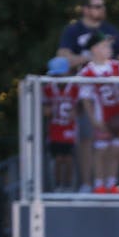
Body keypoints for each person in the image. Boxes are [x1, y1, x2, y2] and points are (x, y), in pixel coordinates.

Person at [76, 33, 119, 194]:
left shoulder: (117, 66)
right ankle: (99, 184)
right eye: (105, 46)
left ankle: (111, 183)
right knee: (101, 150)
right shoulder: (87, 72)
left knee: (116, 150)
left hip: (118, 113)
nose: (109, 49)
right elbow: (86, 99)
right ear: (94, 49)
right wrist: (93, 119)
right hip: (101, 115)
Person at [56, 0, 119, 71]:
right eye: (98, 6)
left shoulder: (112, 30)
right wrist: (92, 57)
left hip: (109, 77)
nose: (103, 9)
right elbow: (62, 60)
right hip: (80, 77)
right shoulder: (72, 30)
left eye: (103, 6)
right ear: (85, 9)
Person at [42, 56, 79, 192]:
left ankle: (68, 185)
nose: (57, 78)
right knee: (57, 159)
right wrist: (48, 109)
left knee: (68, 158)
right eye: (55, 75)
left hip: (70, 128)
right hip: (55, 129)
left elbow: (80, 107)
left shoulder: (74, 87)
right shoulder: (48, 88)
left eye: (60, 75)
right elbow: (45, 110)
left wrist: (76, 111)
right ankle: (58, 185)